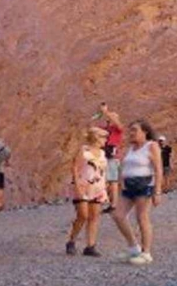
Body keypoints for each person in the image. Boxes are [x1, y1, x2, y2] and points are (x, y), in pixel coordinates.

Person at [110, 120, 164, 264]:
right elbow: (123, 166)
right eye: (131, 130)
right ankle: (134, 247)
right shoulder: (131, 148)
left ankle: (146, 253)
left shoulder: (151, 146)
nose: (131, 133)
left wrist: (157, 191)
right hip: (128, 185)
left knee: (142, 217)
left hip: (144, 184)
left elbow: (158, 169)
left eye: (134, 130)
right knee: (118, 215)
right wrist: (121, 182)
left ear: (144, 131)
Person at [66, 126, 109, 256]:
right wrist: (76, 185)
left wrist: (105, 186)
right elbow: (75, 167)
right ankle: (71, 240)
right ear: (96, 138)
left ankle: (90, 246)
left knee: (94, 216)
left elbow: (102, 170)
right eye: (104, 137)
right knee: (83, 215)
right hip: (83, 185)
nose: (106, 140)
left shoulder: (102, 153)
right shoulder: (84, 150)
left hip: (98, 187)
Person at [95, 103, 124, 208]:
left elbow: (118, 124)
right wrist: (99, 114)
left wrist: (106, 112)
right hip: (103, 155)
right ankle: (106, 200)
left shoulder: (118, 129)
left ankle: (113, 204)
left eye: (112, 117)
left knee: (113, 181)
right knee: (104, 179)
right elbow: (93, 127)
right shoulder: (106, 129)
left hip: (112, 157)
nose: (109, 119)